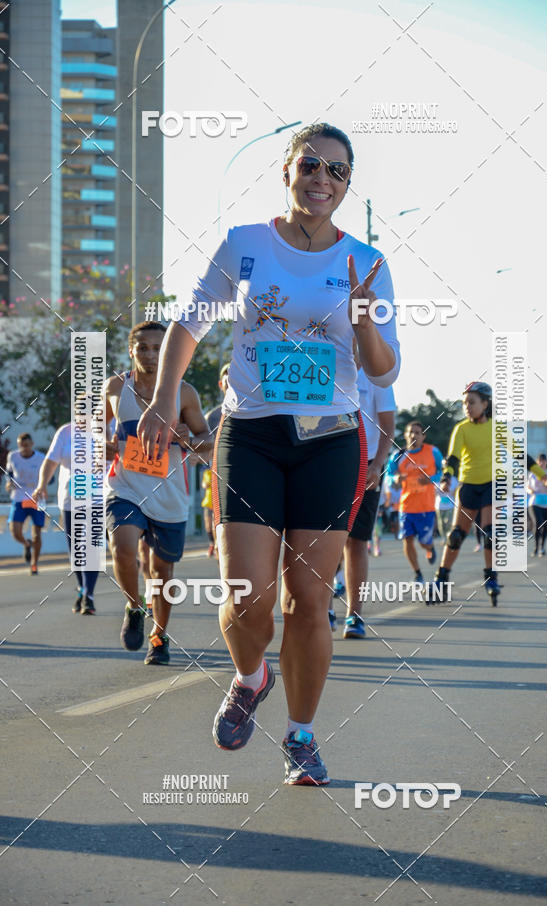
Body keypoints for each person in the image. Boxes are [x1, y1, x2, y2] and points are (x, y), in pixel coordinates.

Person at [137, 123, 400, 784]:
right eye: (310, 165)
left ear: (348, 184)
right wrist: (164, 397)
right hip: (251, 434)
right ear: (287, 171)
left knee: (308, 599)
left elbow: (384, 371)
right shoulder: (245, 244)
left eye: (337, 171)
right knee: (247, 597)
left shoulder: (367, 261)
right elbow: (190, 322)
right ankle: (251, 676)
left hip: (330, 440)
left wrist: (364, 321)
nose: (322, 179)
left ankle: (301, 735)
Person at [104, 320, 212, 665]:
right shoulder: (116, 387)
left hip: (169, 494)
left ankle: (159, 636)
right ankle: (135, 607)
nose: (150, 354)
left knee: (161, 572)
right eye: (143, 348)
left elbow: (208, 440)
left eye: (158, 348)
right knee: (122, 547)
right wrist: (102, 445)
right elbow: (92, 429)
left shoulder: (184, 392)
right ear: (131, 351)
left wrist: (188, 440)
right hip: (125, 487)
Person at [434, 382, 547, 604]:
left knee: (491, 534)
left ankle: (491, 578)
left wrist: (542, 475)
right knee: (456, 536)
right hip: (468, 485)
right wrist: (446, 477)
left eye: (472, 402)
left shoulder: (497, 428)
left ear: (485, 404)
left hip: (491, 486)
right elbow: (453, 458)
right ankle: (441, 578)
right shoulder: (461, 429)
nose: (467, 407)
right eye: (465, 403)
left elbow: (519, 454)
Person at [339, 356, 395, 639]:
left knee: (356, 542)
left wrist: (377, 466)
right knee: (324, 538)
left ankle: (354, 614)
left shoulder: (377, 377)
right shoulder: (329, 363)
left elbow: (388, 427)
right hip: (328, 462)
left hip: (367, 464)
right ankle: (322, 608)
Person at [32, 423, 99, 613]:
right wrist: (41, 485)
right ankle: (82, 588)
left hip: (98, 498)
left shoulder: (108, 426)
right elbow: (50, 461)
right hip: (71, 499)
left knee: (92, 547)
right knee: (76, 548)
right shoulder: (65, 432)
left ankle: (89, 596)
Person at [391, 422, 442, 585]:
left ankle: (429, 547)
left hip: (426, 507)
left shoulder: (433, 452)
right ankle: (417, 573)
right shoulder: (398, 455)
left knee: (423, 542)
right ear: (405, 435)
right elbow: (389, 476)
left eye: (418, 433)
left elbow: (443, 472)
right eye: (410, 432)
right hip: (406, 507)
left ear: (423, 436)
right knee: (407, 539)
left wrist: (431, 479)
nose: (414, 435)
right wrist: (395, 478)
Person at [5, 433, 46, 575]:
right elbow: (9, 472)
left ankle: (34, 564)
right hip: (18, 497)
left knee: (37, 534)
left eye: (27, 445)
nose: (24, 448)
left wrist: (43, 486)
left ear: (32, 444)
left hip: (36, 498)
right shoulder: (13, 456)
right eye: (21, 445)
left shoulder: (41, 458)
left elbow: (49, 477)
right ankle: (26, 544)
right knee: (15, 532)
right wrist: (9, 482)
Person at [528, 454, 547, 557]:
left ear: (546, 462)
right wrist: (530, 491)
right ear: (537, 462)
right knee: (538, 523)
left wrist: (546, 484)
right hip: (535, 503)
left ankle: (542, 547)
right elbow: (527, 487)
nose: (541, 463)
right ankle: (536, 547)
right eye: (539, 461)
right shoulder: (532, 474)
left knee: (546, 526)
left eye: (543, 461)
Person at [435, 472, 458, 540]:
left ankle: (448, 536)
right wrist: (442, 488)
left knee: (448, 522)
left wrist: (449, 489)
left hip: (450, 506)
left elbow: (456, 492)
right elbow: (435, 492)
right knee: (441, 523)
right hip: (439, 506)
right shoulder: (438, 480)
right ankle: (443, 537)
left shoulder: (454, 481)